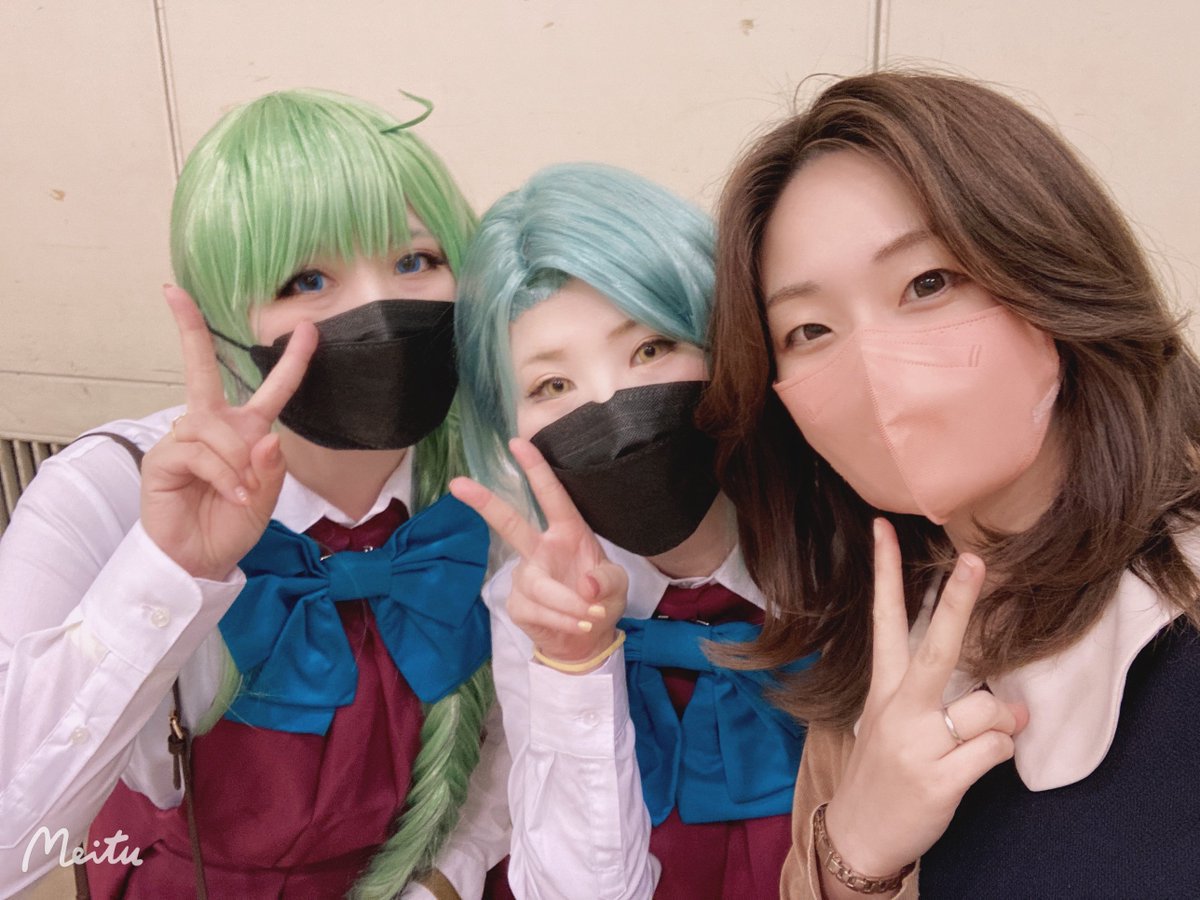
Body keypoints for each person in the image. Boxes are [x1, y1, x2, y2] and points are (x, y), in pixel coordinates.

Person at [700, 71, 1200, 897]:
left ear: (1046, 265)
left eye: (927, 283)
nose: (873, 367)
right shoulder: (869, 674)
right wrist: (856, 855)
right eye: (810, 329)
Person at [0, 89, 509, 899]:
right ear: (224, 319)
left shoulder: (497, 483)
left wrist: (443, 883)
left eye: (415, 261)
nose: (378, 310)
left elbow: (514, 739)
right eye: (308, 278)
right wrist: (166, 573)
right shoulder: (102, 491)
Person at [449, 163, 812, 899]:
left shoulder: (848, 555)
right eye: (553, 385)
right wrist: (574, 665)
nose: (616, 412)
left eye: (650, 348)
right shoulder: (530, 607)